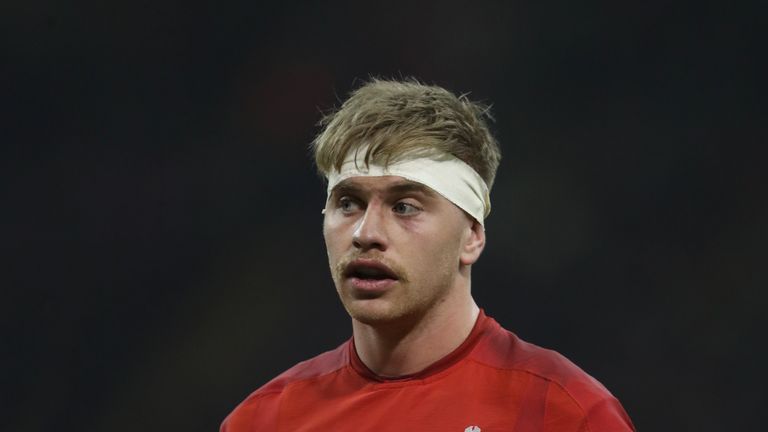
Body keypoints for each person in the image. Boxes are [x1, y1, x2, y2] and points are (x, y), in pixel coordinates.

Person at [221, 78, 635, 431]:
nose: (366, 233)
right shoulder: (265, 420)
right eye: (348, 203)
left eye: (405, 207)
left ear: (472, 237)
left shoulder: (564, 413)